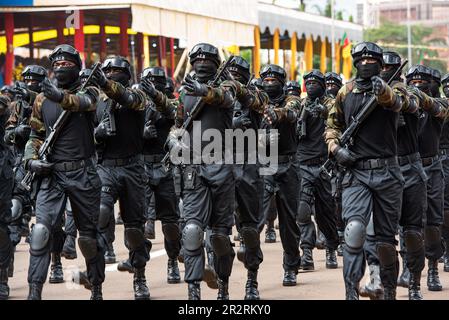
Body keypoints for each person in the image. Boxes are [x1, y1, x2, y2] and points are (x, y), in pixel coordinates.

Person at [24, 44, 105, 300]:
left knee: (89, 238)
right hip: (52, 176)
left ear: (77, 67)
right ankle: (34, 292)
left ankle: (97, 288)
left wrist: (59, 97)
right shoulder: (40, 99)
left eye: (66, 64)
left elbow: (84, 103)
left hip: (83, 173)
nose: (60, 68)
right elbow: (35, 135)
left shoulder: (89, 90)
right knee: (40, 233)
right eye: (56, 64)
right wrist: (30, 160)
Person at [325, 42, 404, 299]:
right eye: (361, 60)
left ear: (381, 65)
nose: (366, 64)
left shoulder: (392, 89)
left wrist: (383, 92)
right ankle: (351, 291)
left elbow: (396, 102)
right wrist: (336, 149)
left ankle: (388, 288)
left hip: (387, 173)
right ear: (355, 62)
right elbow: (332, 125)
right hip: (356, 172)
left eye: (372, 61)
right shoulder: (345, 92)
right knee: (355, 231)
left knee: (384, 240)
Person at [91, 56, 151, 300]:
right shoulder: (97, 102)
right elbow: (86, 136)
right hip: (106, 167)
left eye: (117, 70)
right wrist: (97, 133)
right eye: (108, 70)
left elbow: (125, 97)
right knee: (102, 216)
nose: (113, 73)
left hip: (133, 168)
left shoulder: (137, 97)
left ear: (127, 74)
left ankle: (140, 276)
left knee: (134, 229)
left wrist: (106, 84)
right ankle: (96, 284)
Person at [259, 64, 302, 286]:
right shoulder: (256, 101)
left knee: (288, 222)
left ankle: (291, 266)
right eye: (265, 80)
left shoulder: (291, 100)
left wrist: (275, 114)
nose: (269, 83)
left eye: (274, 79)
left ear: (282, 82)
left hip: (287, 166)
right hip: (262, 166)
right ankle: (250, 269)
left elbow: (291, 112)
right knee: (255, 219)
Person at [296, 69, 339, 271]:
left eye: (316, 82)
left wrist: (323, 113)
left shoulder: (331, 103)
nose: (312, 85)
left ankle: (331, 247)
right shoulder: (300, 104)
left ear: (323, 85)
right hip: (302, 164)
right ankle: (307, 252)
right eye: (309, 82)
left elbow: (340, 121)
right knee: (302, 212)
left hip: (323, 165)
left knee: (325, 213)